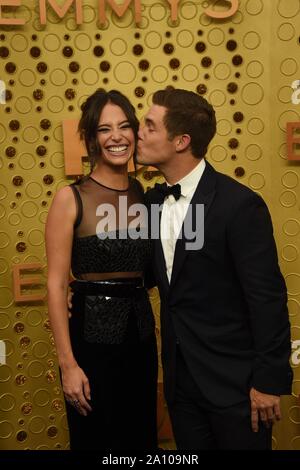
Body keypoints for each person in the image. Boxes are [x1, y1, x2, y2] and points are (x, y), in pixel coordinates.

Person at [137, 87, 293, 450]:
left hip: (237, 387)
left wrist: (269, 381)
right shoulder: (153, 202)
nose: (138, 132)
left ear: (181, 141)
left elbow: (267, 299)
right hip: (181, 385)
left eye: (149, 125)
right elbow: (150, 276)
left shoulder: (239, 206)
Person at [45, 89, 158, 450]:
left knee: (140, 438)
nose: (116, 136)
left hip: (140, 339)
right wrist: (69, 366)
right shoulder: (71, 198)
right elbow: (55, 285)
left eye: (124, 126)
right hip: (90, 344)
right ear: (92, 138)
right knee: (97, 440)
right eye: (105, 129)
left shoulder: (143, 192)